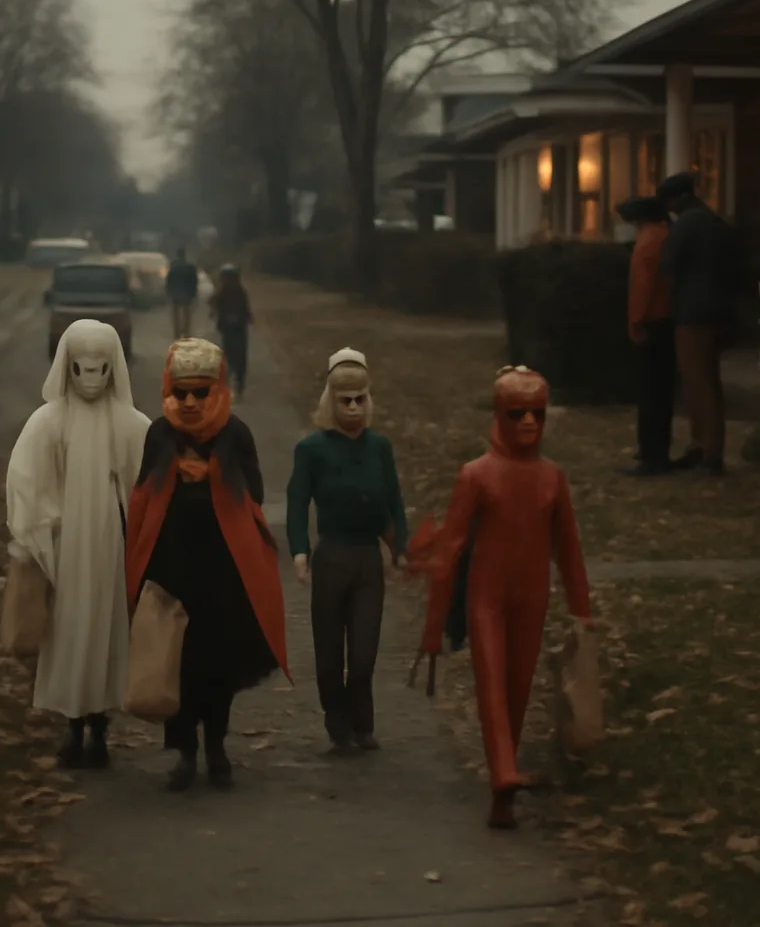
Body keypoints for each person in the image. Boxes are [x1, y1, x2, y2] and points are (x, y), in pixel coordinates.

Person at [410, 366, 591, 830]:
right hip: (486, 598)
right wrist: (434, 628)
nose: (529, 422)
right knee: (492, 684)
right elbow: (449, 548)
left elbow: (568, 547)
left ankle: (502, 792)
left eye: (537, 413)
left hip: (531, 596)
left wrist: (582, 610)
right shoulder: (477, 475)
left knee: (517, 688)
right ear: (499, 415)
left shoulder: (553, 478)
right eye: (518, 413)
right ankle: (504, 774)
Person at [125, 337, 289, 791]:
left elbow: (254, 493)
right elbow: (142, 496)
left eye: (201, 392)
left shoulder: (235, 434)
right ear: (169, 391)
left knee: (216, 666)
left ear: (217, 389)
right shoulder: (160, 434)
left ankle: (216, 748)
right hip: (171, 568)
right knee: (174, 664)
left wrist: (217, 476)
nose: (191, 402)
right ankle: (183, 752)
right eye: (182, 393)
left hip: (222, 571)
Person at [6, 319, 150, 768]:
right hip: (66, 544)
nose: (90, 381)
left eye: (99, 370)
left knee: (106, 630)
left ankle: (100, 726)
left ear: (113, 369)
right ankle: (73, 726)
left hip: (109, 543)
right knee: (69, 630)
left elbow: (144, 483)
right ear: (67, 367)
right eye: (82, 370)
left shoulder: (129, 424)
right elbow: (27, 477)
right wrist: (37, 527)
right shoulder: (48, 421)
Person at [286, 348, 408, 755]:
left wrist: (400, 549)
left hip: (367, 559)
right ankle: (337, 724)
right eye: (345, 400)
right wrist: (300, 551)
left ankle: (362, 723)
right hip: (331, 556)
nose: (353, 408)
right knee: (327, 655)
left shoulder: (379, 448)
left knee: (363, 652)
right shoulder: (313, 450)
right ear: (331, 400)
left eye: (360, 398)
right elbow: (297, 501)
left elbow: (393, 500)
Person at [656, 171, 741, 476]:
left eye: (668, 202)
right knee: (711, 381)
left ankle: (708, 453)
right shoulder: (717, 223)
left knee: (696, 381)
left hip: (692, 312)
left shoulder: (686, 226)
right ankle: (703, 445)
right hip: (719, 310)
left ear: (678, 198)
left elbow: (666, 266)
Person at [618, 195, 675, 477]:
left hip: (652, 320)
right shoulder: (666, 236)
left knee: (650, 390)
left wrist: (635, 321)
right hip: (668, 318)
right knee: (662, 390)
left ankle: (652, 454)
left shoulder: (648, 241)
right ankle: (658, 448)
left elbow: (642, 284)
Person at [209, 263, 253, 398]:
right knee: (234, 357)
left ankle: (233, 383)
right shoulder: (233, 291)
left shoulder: (231, 291)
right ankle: (232, 383)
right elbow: (213, 303)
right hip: (234, 328)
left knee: (234, 357)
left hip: (235, 328)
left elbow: (245, 308)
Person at [165, 246, 199, 340]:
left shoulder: (174, 266)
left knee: (176, 314)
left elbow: (169, 280)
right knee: (186, 314)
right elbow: (194, 280)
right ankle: (186, 332)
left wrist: (169, 291)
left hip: (176, 293)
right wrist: (194, 293)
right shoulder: (190, 266)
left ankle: (177, 333)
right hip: (187, 294)